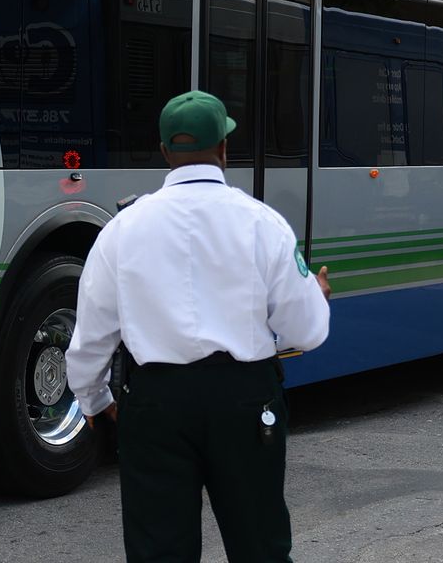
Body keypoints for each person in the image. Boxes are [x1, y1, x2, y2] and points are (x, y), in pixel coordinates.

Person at [66, 89, 332, 563]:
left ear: (166, 153)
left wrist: (95, 400)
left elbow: (90, 338)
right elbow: (307, 332)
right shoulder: (263, 224)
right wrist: (314, 294)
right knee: (261, 550)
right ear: (225, 150)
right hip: (245, 401)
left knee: (159, 554)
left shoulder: (121, 231)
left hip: (155, 407)